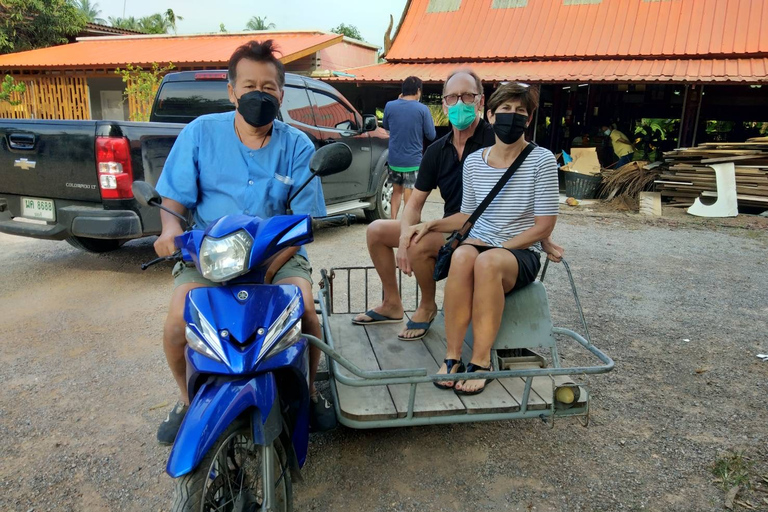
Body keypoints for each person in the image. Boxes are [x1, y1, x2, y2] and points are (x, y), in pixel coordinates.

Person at [152, 40, 336, 445]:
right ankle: (186, 400)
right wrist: (168, 231)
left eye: (268, 88)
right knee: (176, 322)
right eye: (249, 86)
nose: (259, 94)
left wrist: (267, 269)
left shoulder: (298, 146)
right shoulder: (200, 133)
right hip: (209, 254)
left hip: (277, 254)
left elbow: (304, 220)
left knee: (303, 308)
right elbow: (173, 202)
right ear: (232, 91)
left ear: (281, 94)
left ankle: (309, 387)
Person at [352, 70, 562, 342]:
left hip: (484, 235)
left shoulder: (498, 139)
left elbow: (525, 188)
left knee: (419, 242)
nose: (459, 103)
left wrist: (543, 236)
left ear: (481, 102)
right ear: (443, 103)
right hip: (454, 226)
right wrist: (403, 236)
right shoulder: (437, 150)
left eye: (467, 96)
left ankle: (427, 305)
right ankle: (392, 303)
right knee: (378, 230)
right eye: (452, 97)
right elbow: (415, 202)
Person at [410, 82, 558, 394]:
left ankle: (481, 361)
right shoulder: (476, 162)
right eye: (506, 110)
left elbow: (543, 226)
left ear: (529, 119)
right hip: (480, 243)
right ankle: (452, 356)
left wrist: (500, 246)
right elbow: (467, 216)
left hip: (518, 252)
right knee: (463, 256)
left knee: (487, 261)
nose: (513, 116)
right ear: (490, 114)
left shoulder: (541, 160)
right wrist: (432, 225)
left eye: (520, 111)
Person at [382, 76, 436, 219]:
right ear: (418, 90)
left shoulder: (389, 106)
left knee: (396, 192)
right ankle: (407, 224)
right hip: (413, 161)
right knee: (410, 194)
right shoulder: (422, 109)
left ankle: (392, 222)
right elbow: (431, 135)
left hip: (394, 160)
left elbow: (386, 127)